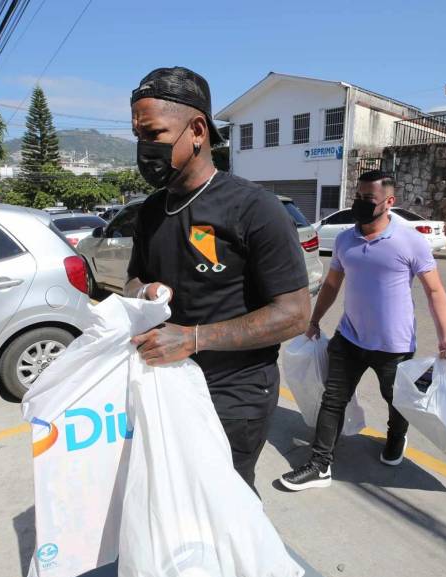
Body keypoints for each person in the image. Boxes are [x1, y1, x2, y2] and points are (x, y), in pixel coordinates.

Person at [125, 67, 311, 490]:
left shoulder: (254, 208)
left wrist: (192, 339)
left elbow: (295, 315)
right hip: (165, 387)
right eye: (138, 135)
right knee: (173, 498)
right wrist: (144, 291)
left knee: (227, 507)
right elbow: (132, 280)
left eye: (153, 134)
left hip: (234, 397)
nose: (143, 148)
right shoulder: (150, 211)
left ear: (197, 130)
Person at [279, 170, 446, 491]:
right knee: (332, 399)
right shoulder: (346, 239)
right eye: (358, 197)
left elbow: (435, 291)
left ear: (389, 202)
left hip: (395, 345)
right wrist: (314, 319)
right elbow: (332, 283)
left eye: (369, 199)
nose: (361, 204)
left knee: (396, 399)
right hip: (349, 339)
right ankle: (320, 464)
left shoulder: (410, 241)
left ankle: (396, 438)